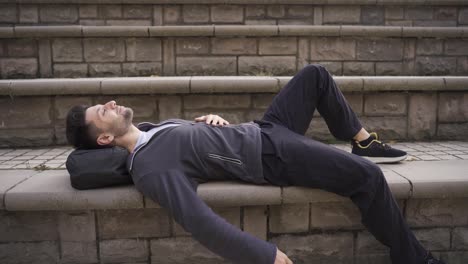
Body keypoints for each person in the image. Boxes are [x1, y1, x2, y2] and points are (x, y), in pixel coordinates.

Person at [66, 64, 445, 264]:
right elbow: (199, 221)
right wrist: (261, 254)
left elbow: (200, 147)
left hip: (265, 130)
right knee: (368, 178)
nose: (112, 103)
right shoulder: (150, 168)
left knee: (315, 75)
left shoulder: (152, 130)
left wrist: (211, 122)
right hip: (270, 156)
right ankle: (413, 258)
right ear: (104, 138)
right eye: (104, 110)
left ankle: (363, 141)